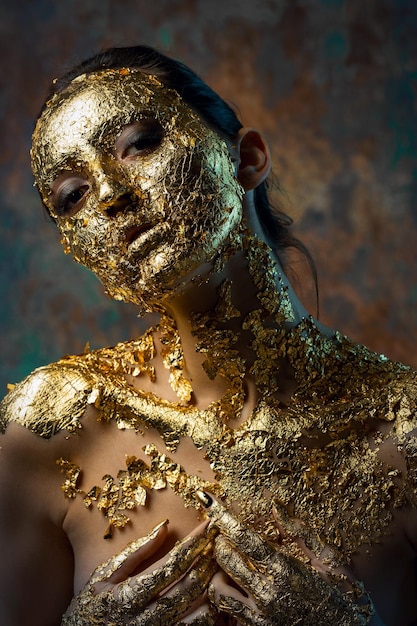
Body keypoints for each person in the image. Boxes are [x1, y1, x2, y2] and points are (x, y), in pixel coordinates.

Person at [0, 44, 416, 626]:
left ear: (247, 158)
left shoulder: (403, 432)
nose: (112, 197)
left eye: (141, 143)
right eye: (73, 196)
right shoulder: (50, 433)